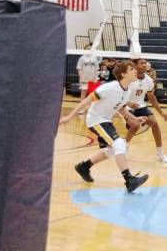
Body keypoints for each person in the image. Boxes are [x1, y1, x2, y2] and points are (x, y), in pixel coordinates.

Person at [59, 60, 149, 193]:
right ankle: (129, 180)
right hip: (95, 120)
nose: (136, 70)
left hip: (106, 120)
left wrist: (135, 118)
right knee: (119, 145)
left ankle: (84, 166)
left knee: (112, 150)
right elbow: (86, 101)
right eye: (132, 69)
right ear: (123, 74)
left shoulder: (128, 90)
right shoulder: (109, 88)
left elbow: (122, 108)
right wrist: (69, 117)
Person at [125, 58, 167, 163]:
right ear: (135, 65)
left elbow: (152, 97)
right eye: (142, 63)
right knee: (135, 125)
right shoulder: (129, 79)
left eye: (145, 63)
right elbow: (119, 95)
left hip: (141, 106)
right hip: (126, 106)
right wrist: (128, 103)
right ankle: (125, 147)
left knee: (155, 124)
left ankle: (160, 154)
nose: (145, 65)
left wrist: (161, 113)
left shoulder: (149, 81)